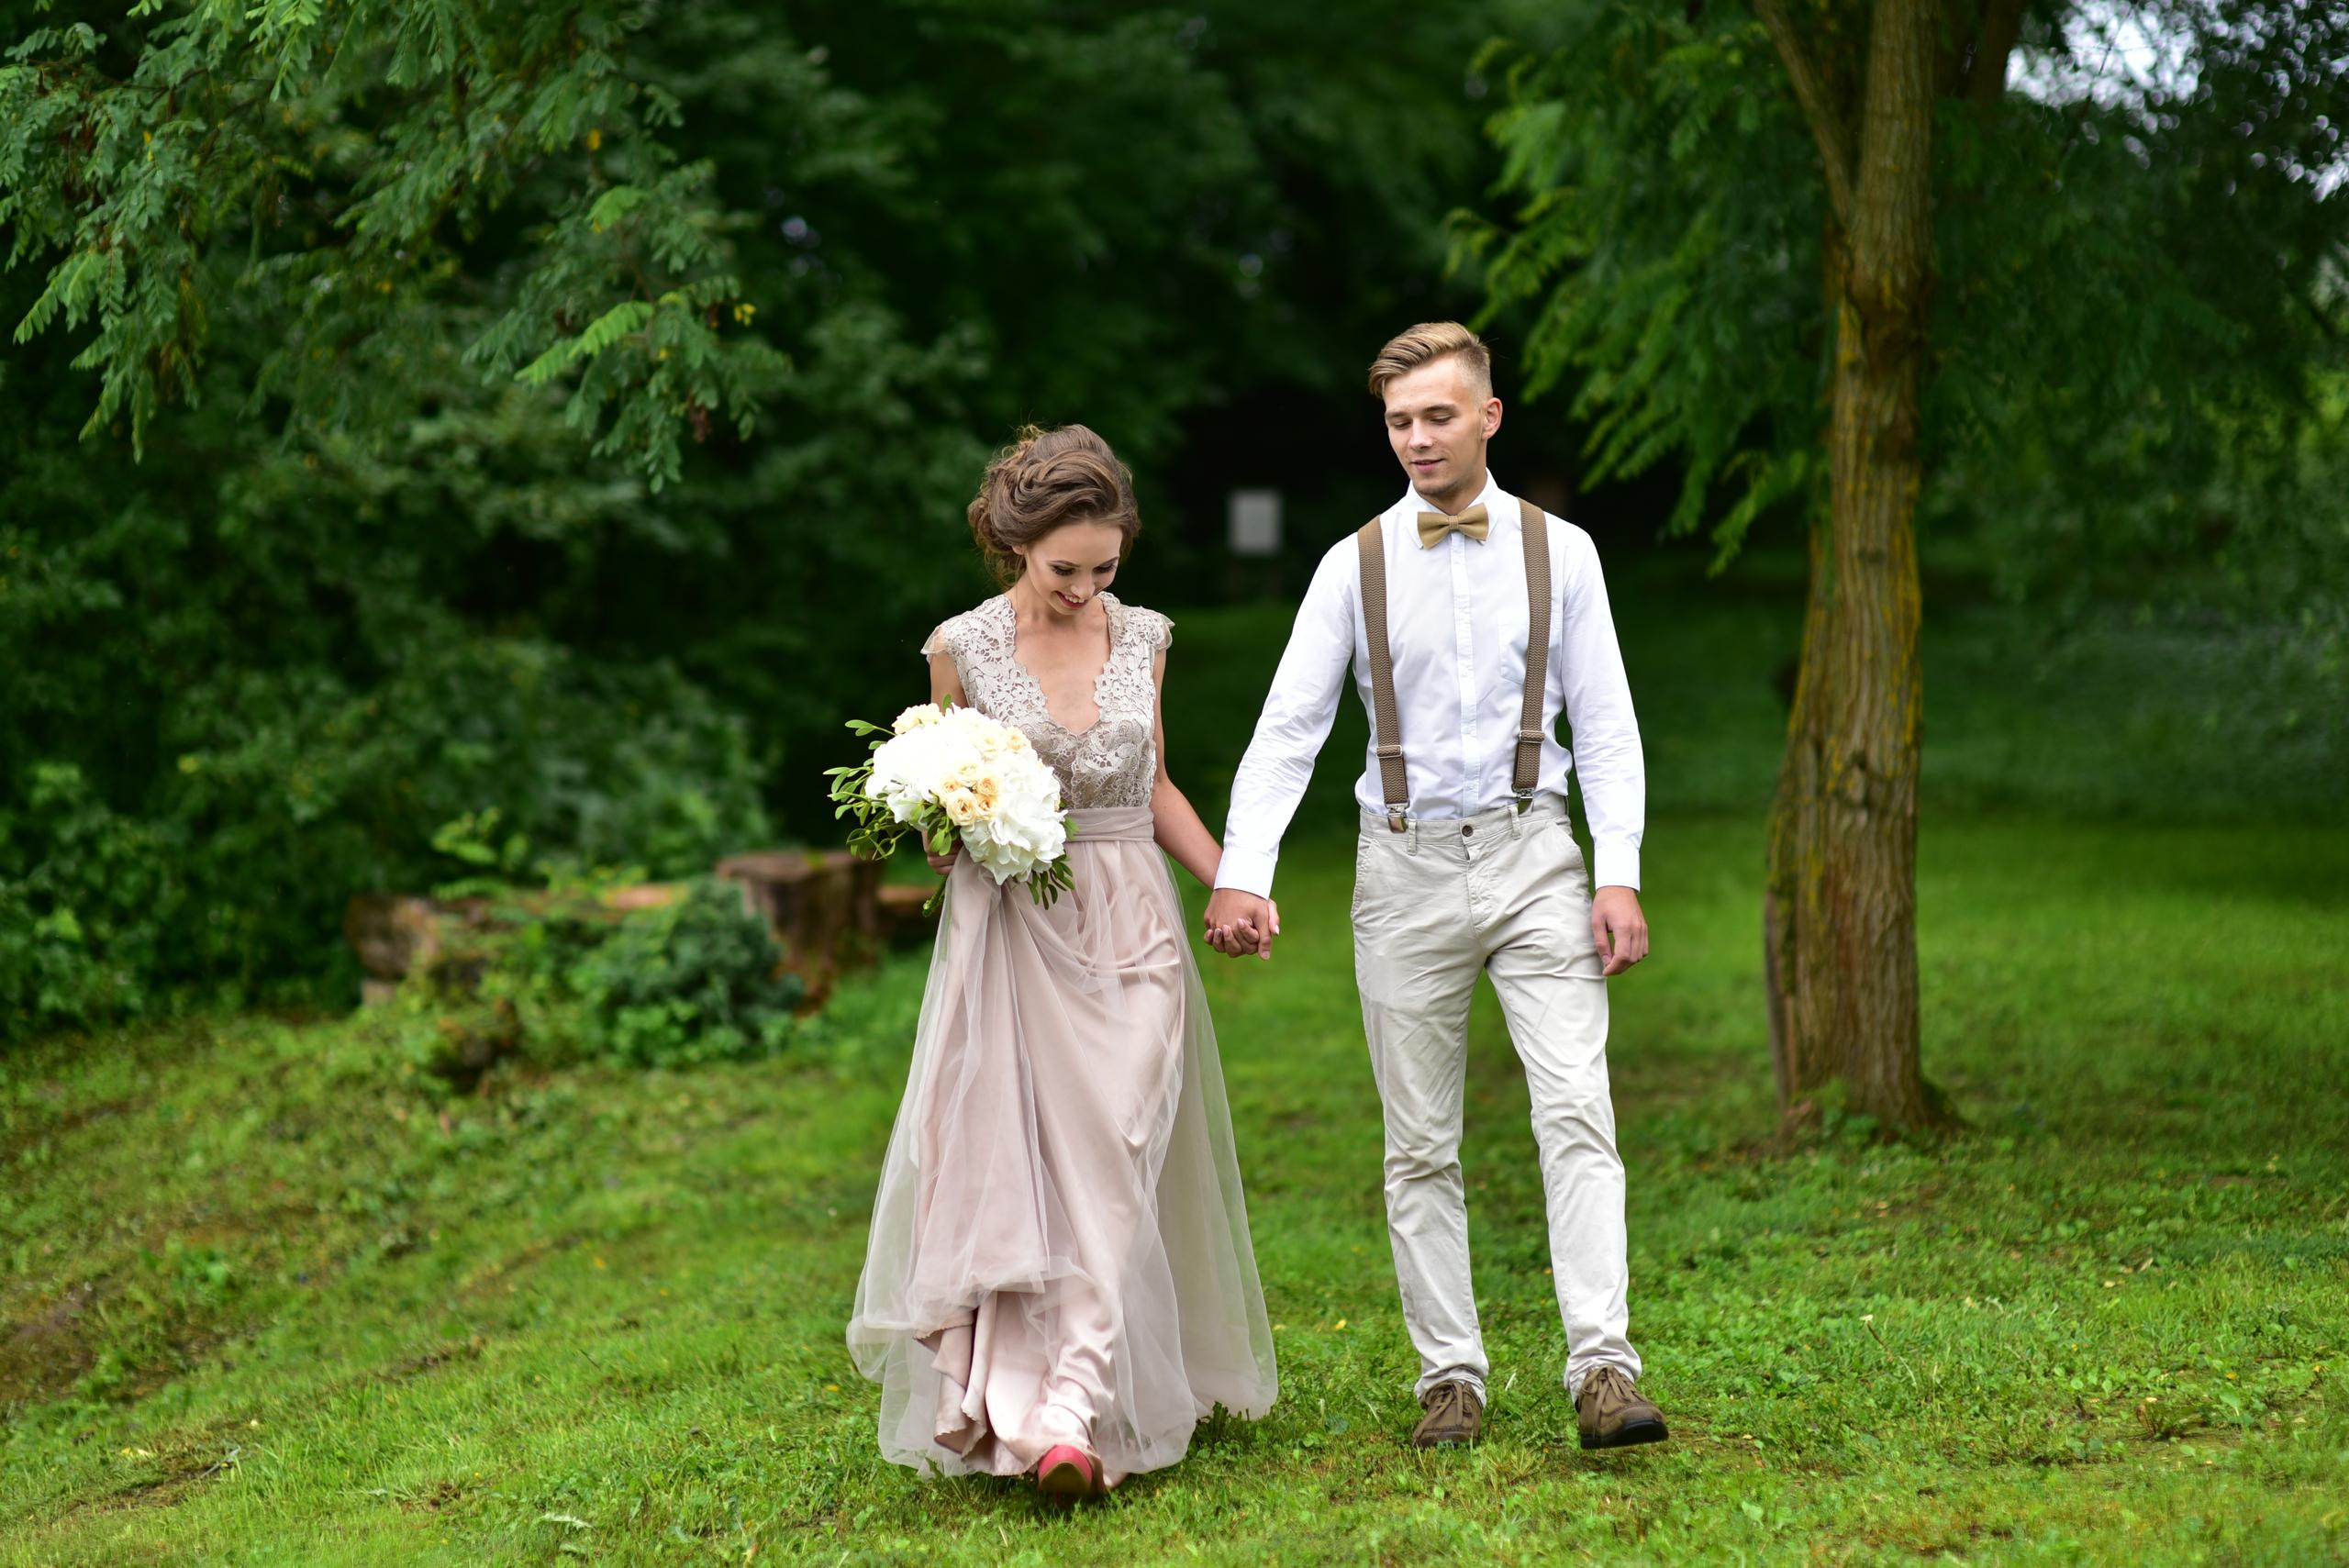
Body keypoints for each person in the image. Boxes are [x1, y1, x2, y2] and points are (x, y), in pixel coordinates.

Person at [1202, 323, 1668, 1452]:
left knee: (1575, 1109)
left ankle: (1603, 1366)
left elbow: (1605, 727)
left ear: (1488, 417)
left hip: (1533, 852)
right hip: (1400, 866)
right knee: (1418, 1139)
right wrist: (1241, 872)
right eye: (1400, 421)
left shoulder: (1567, 553)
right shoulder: (1349, 564)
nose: (1416, 438)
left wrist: (1618, 874)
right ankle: (1448, 1376)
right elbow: (1288, 730)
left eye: (1437, 416)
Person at [847, 425, 1279, 1500]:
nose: (1090, 590)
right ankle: (1053, 1416)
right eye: (1066, 569)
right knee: (1028, 1164)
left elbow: (1158, 782)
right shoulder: (960, 646)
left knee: (1119, 1143)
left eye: (1107, 566)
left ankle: (1069, 1405)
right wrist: (940, 812)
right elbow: (943, 818)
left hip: (1131, 918)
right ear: (1012, 544)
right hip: (1012, 927)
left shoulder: (1145, 637)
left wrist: (1233, 879)